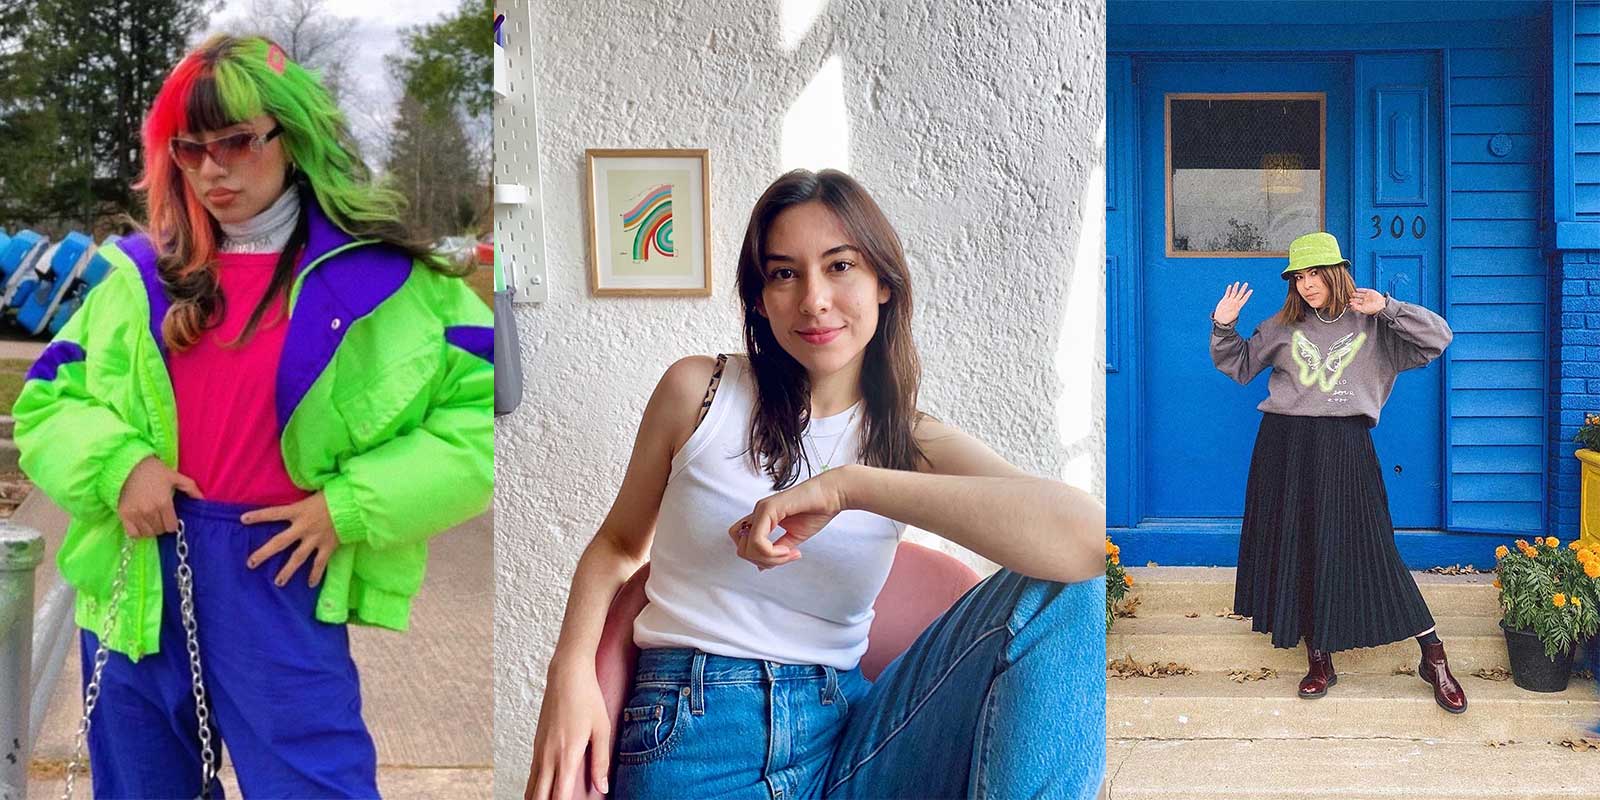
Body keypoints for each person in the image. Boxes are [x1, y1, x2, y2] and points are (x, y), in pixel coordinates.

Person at [524, 169, 1107, 800]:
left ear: (882, 282)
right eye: (783, 273)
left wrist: (850, 487)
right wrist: (571, 669)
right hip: (696, 735)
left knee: (1069, 594)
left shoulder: (910, 440)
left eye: (839, 266)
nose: (814, 299)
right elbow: (617, 545)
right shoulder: (699, 393)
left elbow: (1082, 542)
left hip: (851, 739)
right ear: (758, 297)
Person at [13, 34, 494, 798]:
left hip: (276, 566)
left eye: (236, 143)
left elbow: (477, 430)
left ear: (291, 138)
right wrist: (119, 466)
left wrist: (351, 507)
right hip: (138, 571)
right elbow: (49, 401)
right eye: (190, 148)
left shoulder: (392, 281)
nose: (210, 170)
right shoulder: (137, 278)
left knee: (313, 783)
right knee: (139, 783)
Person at [1209, 230, 1462, 712]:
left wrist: (1386, 306)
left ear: (1336, 273)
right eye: (1298, 277)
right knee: (1301, 547)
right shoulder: (1281, 326)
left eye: (1314, 275)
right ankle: (1319, 659)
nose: (1306, 285)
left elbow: (1438, 337)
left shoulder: (1373, 325)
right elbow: (1240, 366)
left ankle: (1433, 656)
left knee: (1375, 548)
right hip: (1284, 446)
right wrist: (1223, 327)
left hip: (1345, 444)